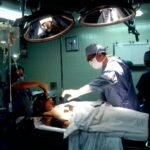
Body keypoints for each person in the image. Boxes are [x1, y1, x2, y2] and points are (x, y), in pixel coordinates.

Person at [62, 43, 140, 111]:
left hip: (128, 109)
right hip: (118, 109)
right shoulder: (105, 67)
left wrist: (78, 92)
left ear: (99, 55)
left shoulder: (113, 66)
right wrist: (101, 103)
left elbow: (103, 81)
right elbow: (105, 89)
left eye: (90, 59)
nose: (90, 62)